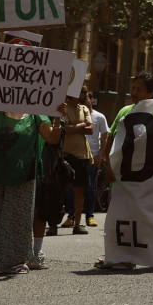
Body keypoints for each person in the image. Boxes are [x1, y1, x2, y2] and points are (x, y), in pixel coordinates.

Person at [0, 98, 63, 275]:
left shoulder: (36, 114)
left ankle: (19, 260)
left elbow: (52, 138)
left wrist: (56, 118)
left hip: (24, 174)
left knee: (20, 217)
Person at [57, 92, 93, 235]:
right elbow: (66, 129)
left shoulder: (84, 109)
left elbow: (90, 129)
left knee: (80, 190)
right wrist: (82, 125)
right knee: (60, 190)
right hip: (65, 155)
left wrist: (75, 127)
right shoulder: (63, 108)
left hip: (81, 156)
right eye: (82, 92)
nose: (84, 94)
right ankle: (54, 222)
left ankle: (78, 224)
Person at [80, 91, 107, 227]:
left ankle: (90, 216)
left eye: (86, 99)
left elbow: (105, 137)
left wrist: (100, 155)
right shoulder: (78, 115)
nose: (85, 102)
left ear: (91, 99)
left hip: (93, 157)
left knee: (90, 188)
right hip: (78, 156)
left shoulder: (99, 117)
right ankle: (72, 217)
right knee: (75, 188)